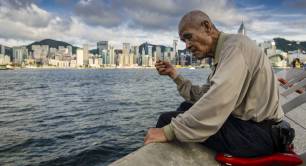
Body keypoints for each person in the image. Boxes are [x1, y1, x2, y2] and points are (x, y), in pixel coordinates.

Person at [144, 10, 293, 157]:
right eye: (184, 41)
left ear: (207, 27)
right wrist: (174, 75)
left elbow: (217, 100)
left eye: (188, 37)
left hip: (259, 134)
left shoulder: (235, 47)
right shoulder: (224, 54)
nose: (187, 46)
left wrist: (168, 131)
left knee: (166, 121)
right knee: (185, 108)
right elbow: (205, 96)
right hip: (254, 128)